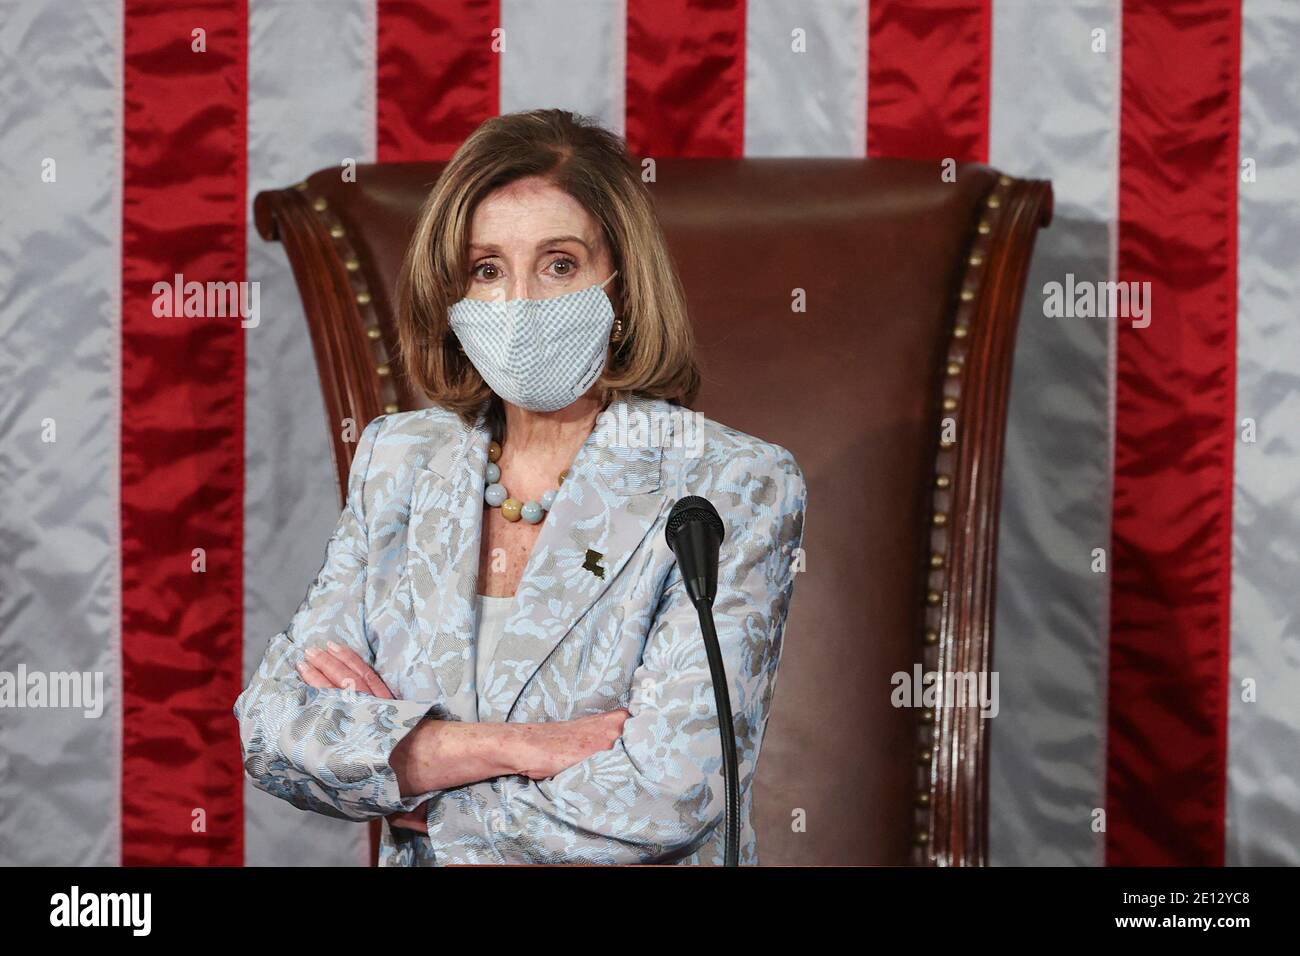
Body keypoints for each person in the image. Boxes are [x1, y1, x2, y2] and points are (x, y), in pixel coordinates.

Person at [234, 109, 808, 865]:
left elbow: (669, 795)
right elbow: (275, 726)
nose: (522, 302)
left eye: (560, 264)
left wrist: (419, 782)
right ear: (454, 294)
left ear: (624, 286)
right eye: (487, 269)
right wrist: (516, 746)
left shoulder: (733, 484)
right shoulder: (400, 460)